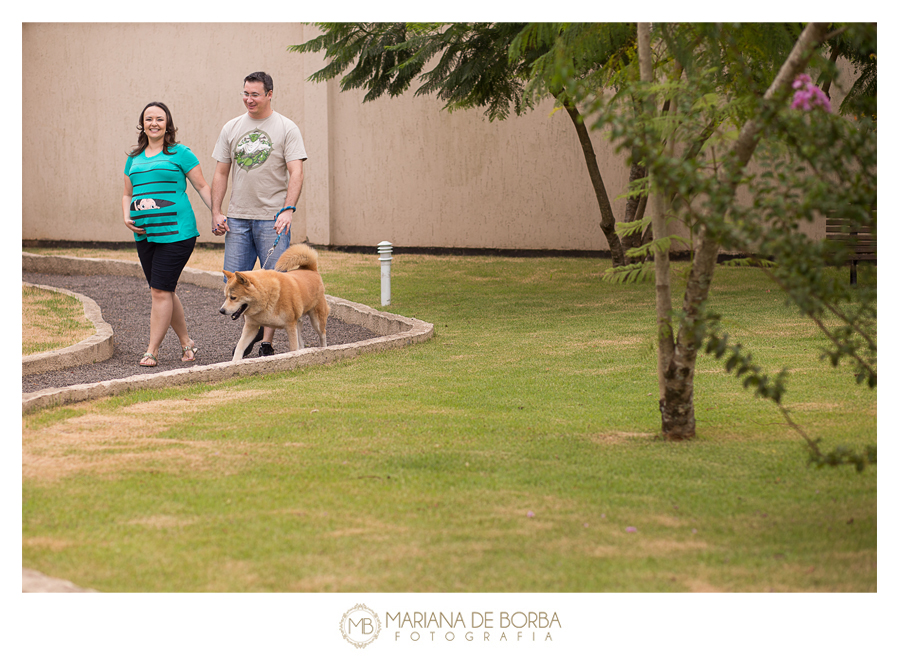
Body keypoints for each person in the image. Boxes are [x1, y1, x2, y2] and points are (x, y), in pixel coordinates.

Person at [211, 71, 308, 357]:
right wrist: (216, 211)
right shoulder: (231, 127)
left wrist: (288, 209)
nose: (248, 99)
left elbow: (296, 171)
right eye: (245, 93)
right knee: (235, 282)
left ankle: (267, 342)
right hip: (237, 218)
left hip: (272, 219)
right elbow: (220, 172)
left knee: (276, 283)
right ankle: (251, 331)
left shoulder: (286, 128)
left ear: (269, 94)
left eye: (254, 94)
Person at [122, 101, 212, 367]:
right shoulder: (133, 158)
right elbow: (128, 192)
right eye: (149, 119)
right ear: (143, 124)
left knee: (160, 291)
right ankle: (187, 343)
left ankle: (152, 350)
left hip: (177, 233)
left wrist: (217, 213)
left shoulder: (180, 153)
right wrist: (126, 215)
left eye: (159, 119)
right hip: (144, 233)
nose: (154, 123)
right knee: (164, 290)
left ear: (167, 123)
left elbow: (202, 186)